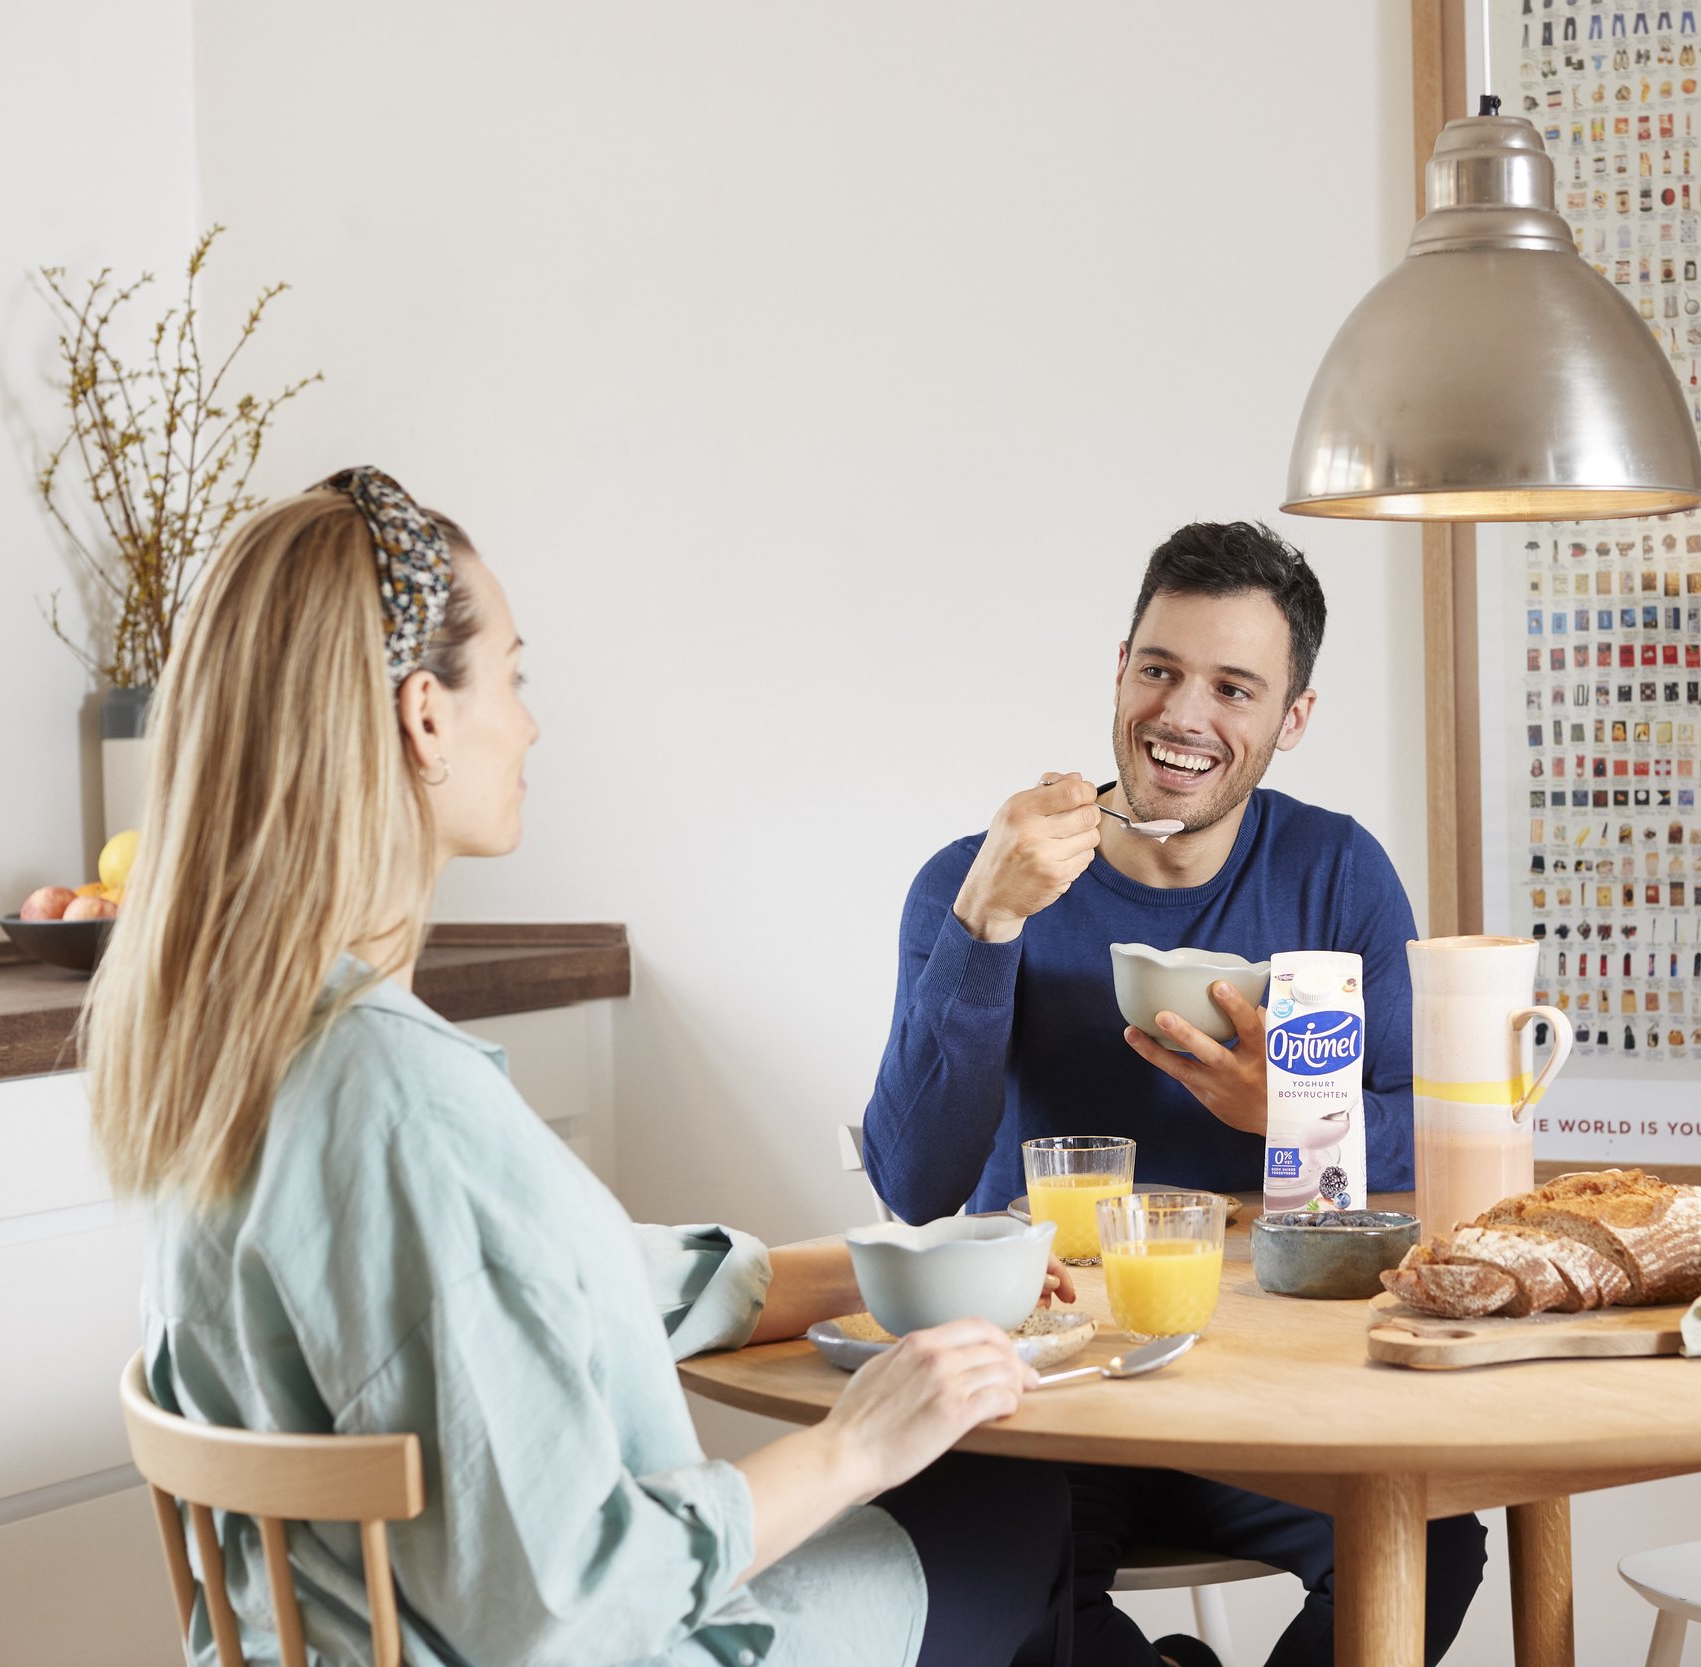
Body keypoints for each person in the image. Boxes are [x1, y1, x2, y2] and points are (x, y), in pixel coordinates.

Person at [87, 470, 1075, 1667]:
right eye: (513, 672)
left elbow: (549, 1280)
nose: (532, 720)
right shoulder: (396, 1096)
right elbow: (566, 1605)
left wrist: (914, 1267)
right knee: (1020, 1504)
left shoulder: (241, 1050)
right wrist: (853, 1443)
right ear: (425, 715)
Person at [861, 521, 1486, 1667]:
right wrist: (986, 921)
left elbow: (1429, 1138)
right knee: (985, 1593)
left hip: (1265, 1394)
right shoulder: (977, 875)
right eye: (1159, 667)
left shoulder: (1335, 871)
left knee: (1436, 1543)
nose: (1183, 713)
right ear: (1120, 667)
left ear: (1291, 718)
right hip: (1055, 1391)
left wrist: (1284, 1112)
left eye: (1233, 685)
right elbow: (913, 1186)